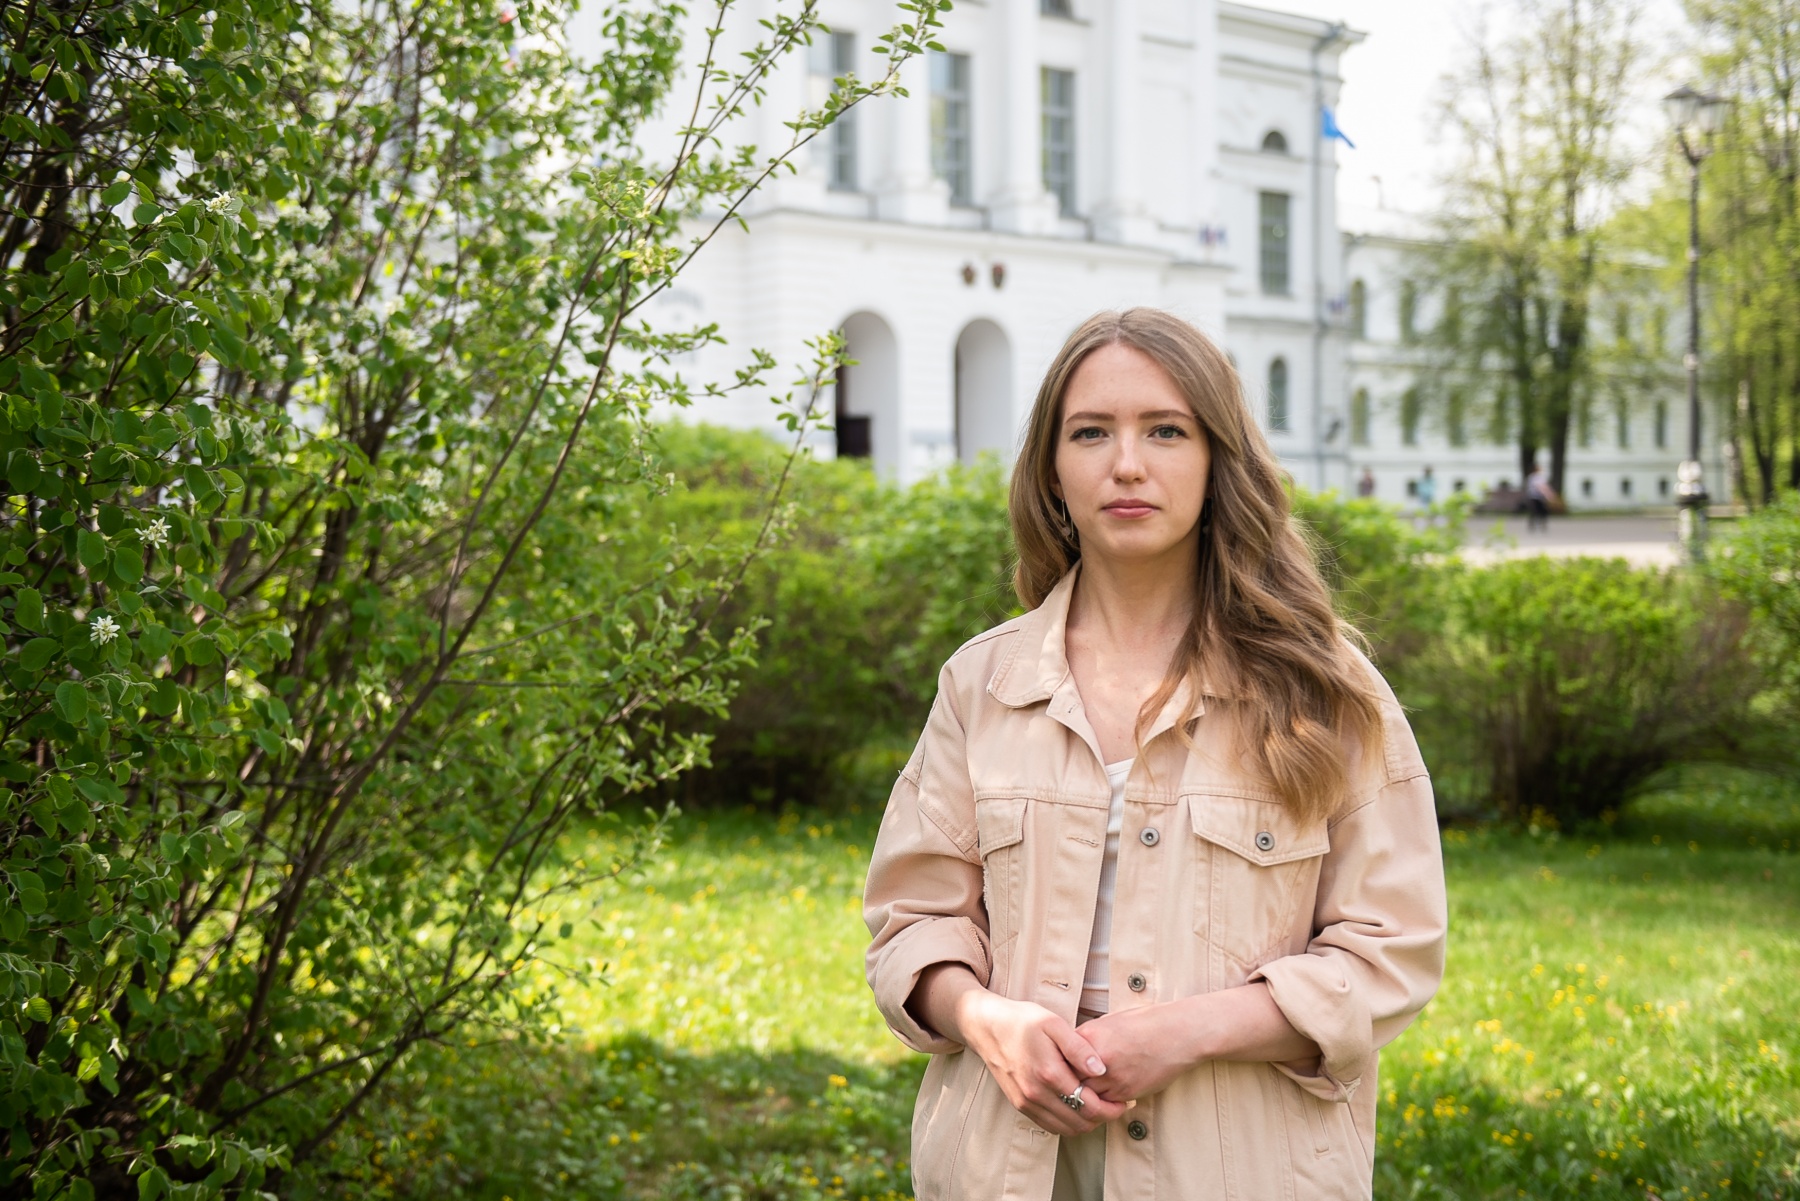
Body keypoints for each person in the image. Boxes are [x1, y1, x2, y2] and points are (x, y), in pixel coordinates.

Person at [863, 309, 1447, 1201]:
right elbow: (912, 921)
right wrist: (988, 1021)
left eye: (1165, 430)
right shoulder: (982, 683)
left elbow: (1391, 952)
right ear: (1053, 470)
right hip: (1005, 1167)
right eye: (1091, 432)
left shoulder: (1327, 690)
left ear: (1218, 462)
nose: (1125, 463)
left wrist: (1189, 1030)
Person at [1525, 463, 1557, 533]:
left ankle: (1542, 525)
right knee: (1535, 511)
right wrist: (1548, 494)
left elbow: (1545, 486)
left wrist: (1549, 493)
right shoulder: (1532, 477)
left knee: (1543, 511)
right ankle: (1533, 525)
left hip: (1540, 497)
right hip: (1534, 497)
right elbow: (1540, 487)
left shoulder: (1540, 477)